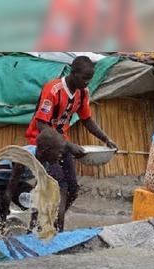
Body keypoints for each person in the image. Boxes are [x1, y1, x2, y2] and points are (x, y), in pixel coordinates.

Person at [25, 55, 117, 230]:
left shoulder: (82, 93)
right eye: (84, 78)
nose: (87, 83)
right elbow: (41, 125)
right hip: (42, 145)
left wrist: (106, 139)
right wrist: (69, 146)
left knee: (73, 189)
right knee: (55, 186)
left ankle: (51, 222)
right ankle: (42, 227)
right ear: (73, 73)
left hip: (62, 143)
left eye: (90, 79)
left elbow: (87, 119)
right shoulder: (53, 90)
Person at [0, 128, 66, 238]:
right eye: (58, 152)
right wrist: (3, 217)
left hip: (14, 182)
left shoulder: (46, 162)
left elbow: (38, 192)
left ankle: (31, 234)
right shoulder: (23, 159)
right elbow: (9, 192)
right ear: (47, 150)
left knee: (41, 203)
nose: (60, 155)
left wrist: (33, 226)